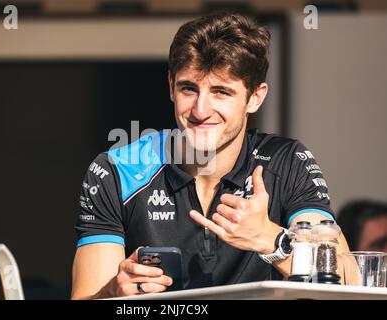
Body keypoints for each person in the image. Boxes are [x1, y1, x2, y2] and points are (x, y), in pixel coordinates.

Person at [71, 12, 350, 299]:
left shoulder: (286, 160)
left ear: (255, 97)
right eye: (189, 89)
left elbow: (346, 281)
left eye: (221, 92)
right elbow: (87, 295)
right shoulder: (117, 169)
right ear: (170, 86)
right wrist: (112, 292)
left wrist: (268, 238)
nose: (200, 110)